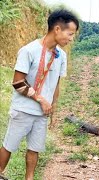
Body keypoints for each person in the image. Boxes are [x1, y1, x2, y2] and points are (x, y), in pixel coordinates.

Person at [0, 9, 79, 180]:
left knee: (34, 149)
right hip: (23, 110)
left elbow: (56, 83)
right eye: (70, 33)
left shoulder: (61, 56)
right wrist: (41, 99)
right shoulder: (29, 50)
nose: (71, 38)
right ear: (57, 29)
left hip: (42, 113)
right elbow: (18, 82)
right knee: (9, 146)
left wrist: (53, 108)